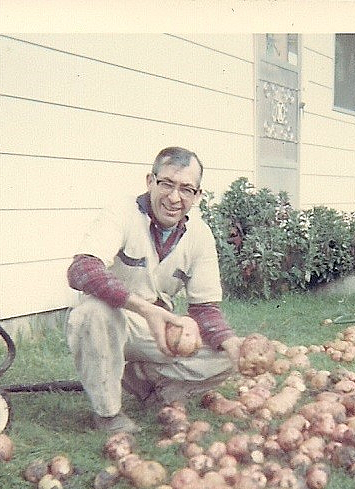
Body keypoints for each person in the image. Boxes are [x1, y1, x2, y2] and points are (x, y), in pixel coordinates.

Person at [66, 146, 243, 433]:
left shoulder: (200, 234)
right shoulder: (122, 212)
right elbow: (80, 269)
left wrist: (234, 345)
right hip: (115, 319)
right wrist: (145, 310)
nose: (174, 198)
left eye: (186, 189)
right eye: (167, 184)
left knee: (227, 356)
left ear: (197, 196)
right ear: (150, 181)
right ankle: (108, 414)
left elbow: (205, 310)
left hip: (158, 331)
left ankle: (147, 382)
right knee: (91, 313)